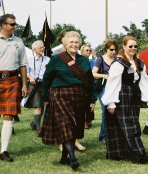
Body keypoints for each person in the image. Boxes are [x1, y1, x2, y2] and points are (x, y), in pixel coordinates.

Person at [40, 31, 96, 170]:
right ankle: (72, 158)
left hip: (79, 95)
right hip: (60, 94)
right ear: (65, 44)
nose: (74, 44)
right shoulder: (57, 59)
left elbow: (90, 80)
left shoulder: (83, 60)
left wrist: (92, 97)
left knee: (74, 125)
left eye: (76, 42)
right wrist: (45, 96)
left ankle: (64, 157)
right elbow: (47, 78)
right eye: (71, 42)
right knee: (66, 124)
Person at [101, 36, 148, 164]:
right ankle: (140, 154)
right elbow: (112, 84)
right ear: (124, 47)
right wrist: (111, 103)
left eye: (135, 46)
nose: (133, 48)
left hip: (134, 96)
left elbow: (144, 82)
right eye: (130, 46)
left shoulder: (139, 63)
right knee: (130, 126)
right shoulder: (118, 64)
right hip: (122, 96)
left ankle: (120, 152)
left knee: (126, 125)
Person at [0, 14, 28, 162]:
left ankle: (4, 151)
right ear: (3, 25)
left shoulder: (18, 41)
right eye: (12, 24)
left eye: (15, 24)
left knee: (9, 114)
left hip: (13, 80)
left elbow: (22, 64)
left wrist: (25, 84)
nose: (15, 26)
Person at [92, 39, 118, 143]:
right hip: (102, 87)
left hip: (114, 88)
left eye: (115, 49)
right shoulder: (100, 59)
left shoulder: (117, 59)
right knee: (106, 110)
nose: (114, 52)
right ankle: (103, 135)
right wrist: (104, 76)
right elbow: (93, 73)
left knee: (113, 111)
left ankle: (111, 134)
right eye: (111, 49)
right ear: (106, 48)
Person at [26, 40, 50, 136]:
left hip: (44, 85)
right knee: (37, 106)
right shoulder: (29, 60)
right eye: (40, 48)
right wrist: (30, 77)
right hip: (34, 85)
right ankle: (39, 129)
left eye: (43, 47)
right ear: (35, 49)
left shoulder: (48, 59)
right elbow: (25, 72)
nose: (42, 49)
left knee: (45, 106)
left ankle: (34, 123)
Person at [80, 44, 95, 129]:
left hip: (90, 85)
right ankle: (83, 122)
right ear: (82, 51)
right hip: (82, 85)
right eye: (87, 50)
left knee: (90, 104)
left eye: (90, 50)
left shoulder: (92, 62)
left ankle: (88, 121)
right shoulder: (79, 61)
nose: (89, 52)